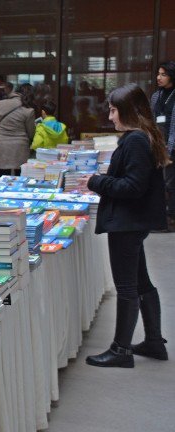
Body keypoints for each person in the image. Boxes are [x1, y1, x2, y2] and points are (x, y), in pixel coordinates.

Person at [84, 83, 169, 368]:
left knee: (127, 287)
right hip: (133, 222)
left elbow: (132, 187)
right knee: (141, 281)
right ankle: (155, 342)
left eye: (113, 110)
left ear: (128, 111)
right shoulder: (143, 137)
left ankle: (121, 350)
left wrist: (95, 181)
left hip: (126, 223)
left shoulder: (135, 141)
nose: (110, 117)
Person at [151, 60, 175, 231]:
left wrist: (169, 146)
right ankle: (162, 217)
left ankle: (169, 219)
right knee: (159, 182)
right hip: (159, 146)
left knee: (170, 183)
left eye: (163, 74)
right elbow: (153, 120)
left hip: (172, 147)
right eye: (158, 74)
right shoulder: (156, 96)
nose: (158, 77)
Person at [0, 84, 36, 177]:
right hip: (20, 145)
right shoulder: (29, 110)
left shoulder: (1, 104)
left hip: (2, 142)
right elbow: (31, 133)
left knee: (3, 176)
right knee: (20, 176)